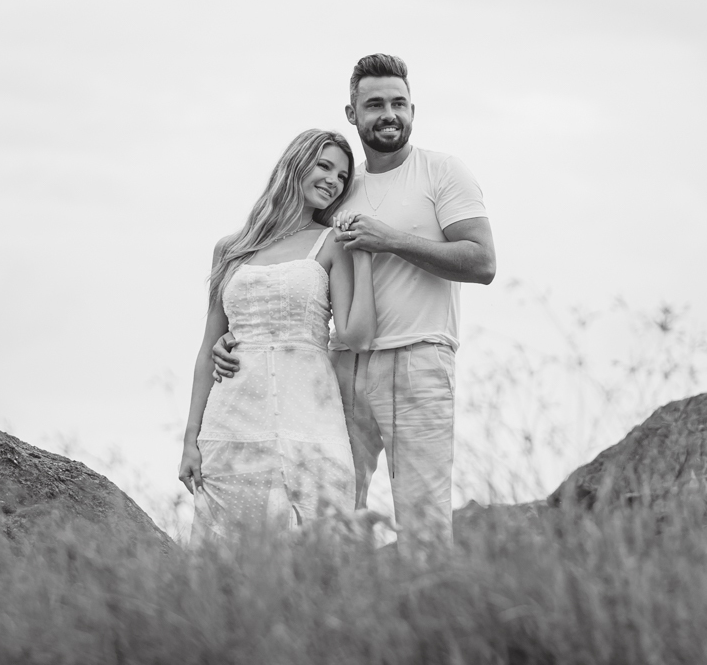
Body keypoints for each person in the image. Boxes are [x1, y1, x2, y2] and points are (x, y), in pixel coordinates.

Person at [213, 55, 496, 543]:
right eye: (375, 104)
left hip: (418, 359)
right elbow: (296, 265)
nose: (389, 114)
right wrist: (238, 336)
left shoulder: (443, 172)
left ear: (413, 110)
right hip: (338, 366)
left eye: (399, 103)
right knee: (333, 510)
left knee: (424, 520)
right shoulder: (341, 186)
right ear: (353, 113)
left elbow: (482, 262)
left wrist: (390, 240)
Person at [178, 129, 376, 537]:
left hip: (312, 422)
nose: (333, 181)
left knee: (320, 542)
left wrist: (365, 256)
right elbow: (207, 350)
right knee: (228, 550)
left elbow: (356, 336)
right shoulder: (230, 249)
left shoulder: (332, 244)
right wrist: (190, 440)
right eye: (324, 166)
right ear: (295, 165)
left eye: (342, 176)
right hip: (232, 422)